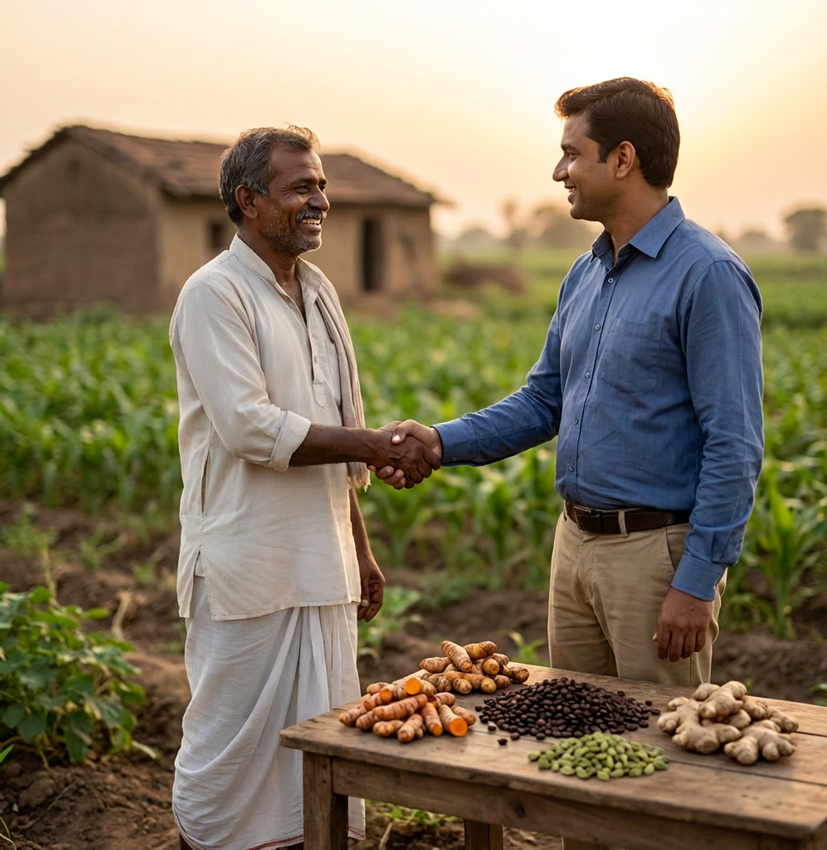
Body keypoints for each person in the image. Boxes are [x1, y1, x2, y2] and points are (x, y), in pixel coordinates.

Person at [379, 77, 764, 690]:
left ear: (623, 158)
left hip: (654, 555)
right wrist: (438, 440)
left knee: (663, 755)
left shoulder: (708, 274)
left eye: (571, 153)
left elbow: (734, 442)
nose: (560, 171)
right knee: (577, 741)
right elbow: (543, 400)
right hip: (575, 544)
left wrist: (695, 583)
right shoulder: (586, 272)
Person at [168, 125, 440, 850]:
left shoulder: (318, 294)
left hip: (323, 566)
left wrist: (362, 549)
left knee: (321, 745)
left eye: (321, 184)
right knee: (228, 755)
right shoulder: (214, 295)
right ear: (250, 201)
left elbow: (329, 429)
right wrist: (375, 442)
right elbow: (250, 427)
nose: (320, 199)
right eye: (301, 187)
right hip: (249, 564)